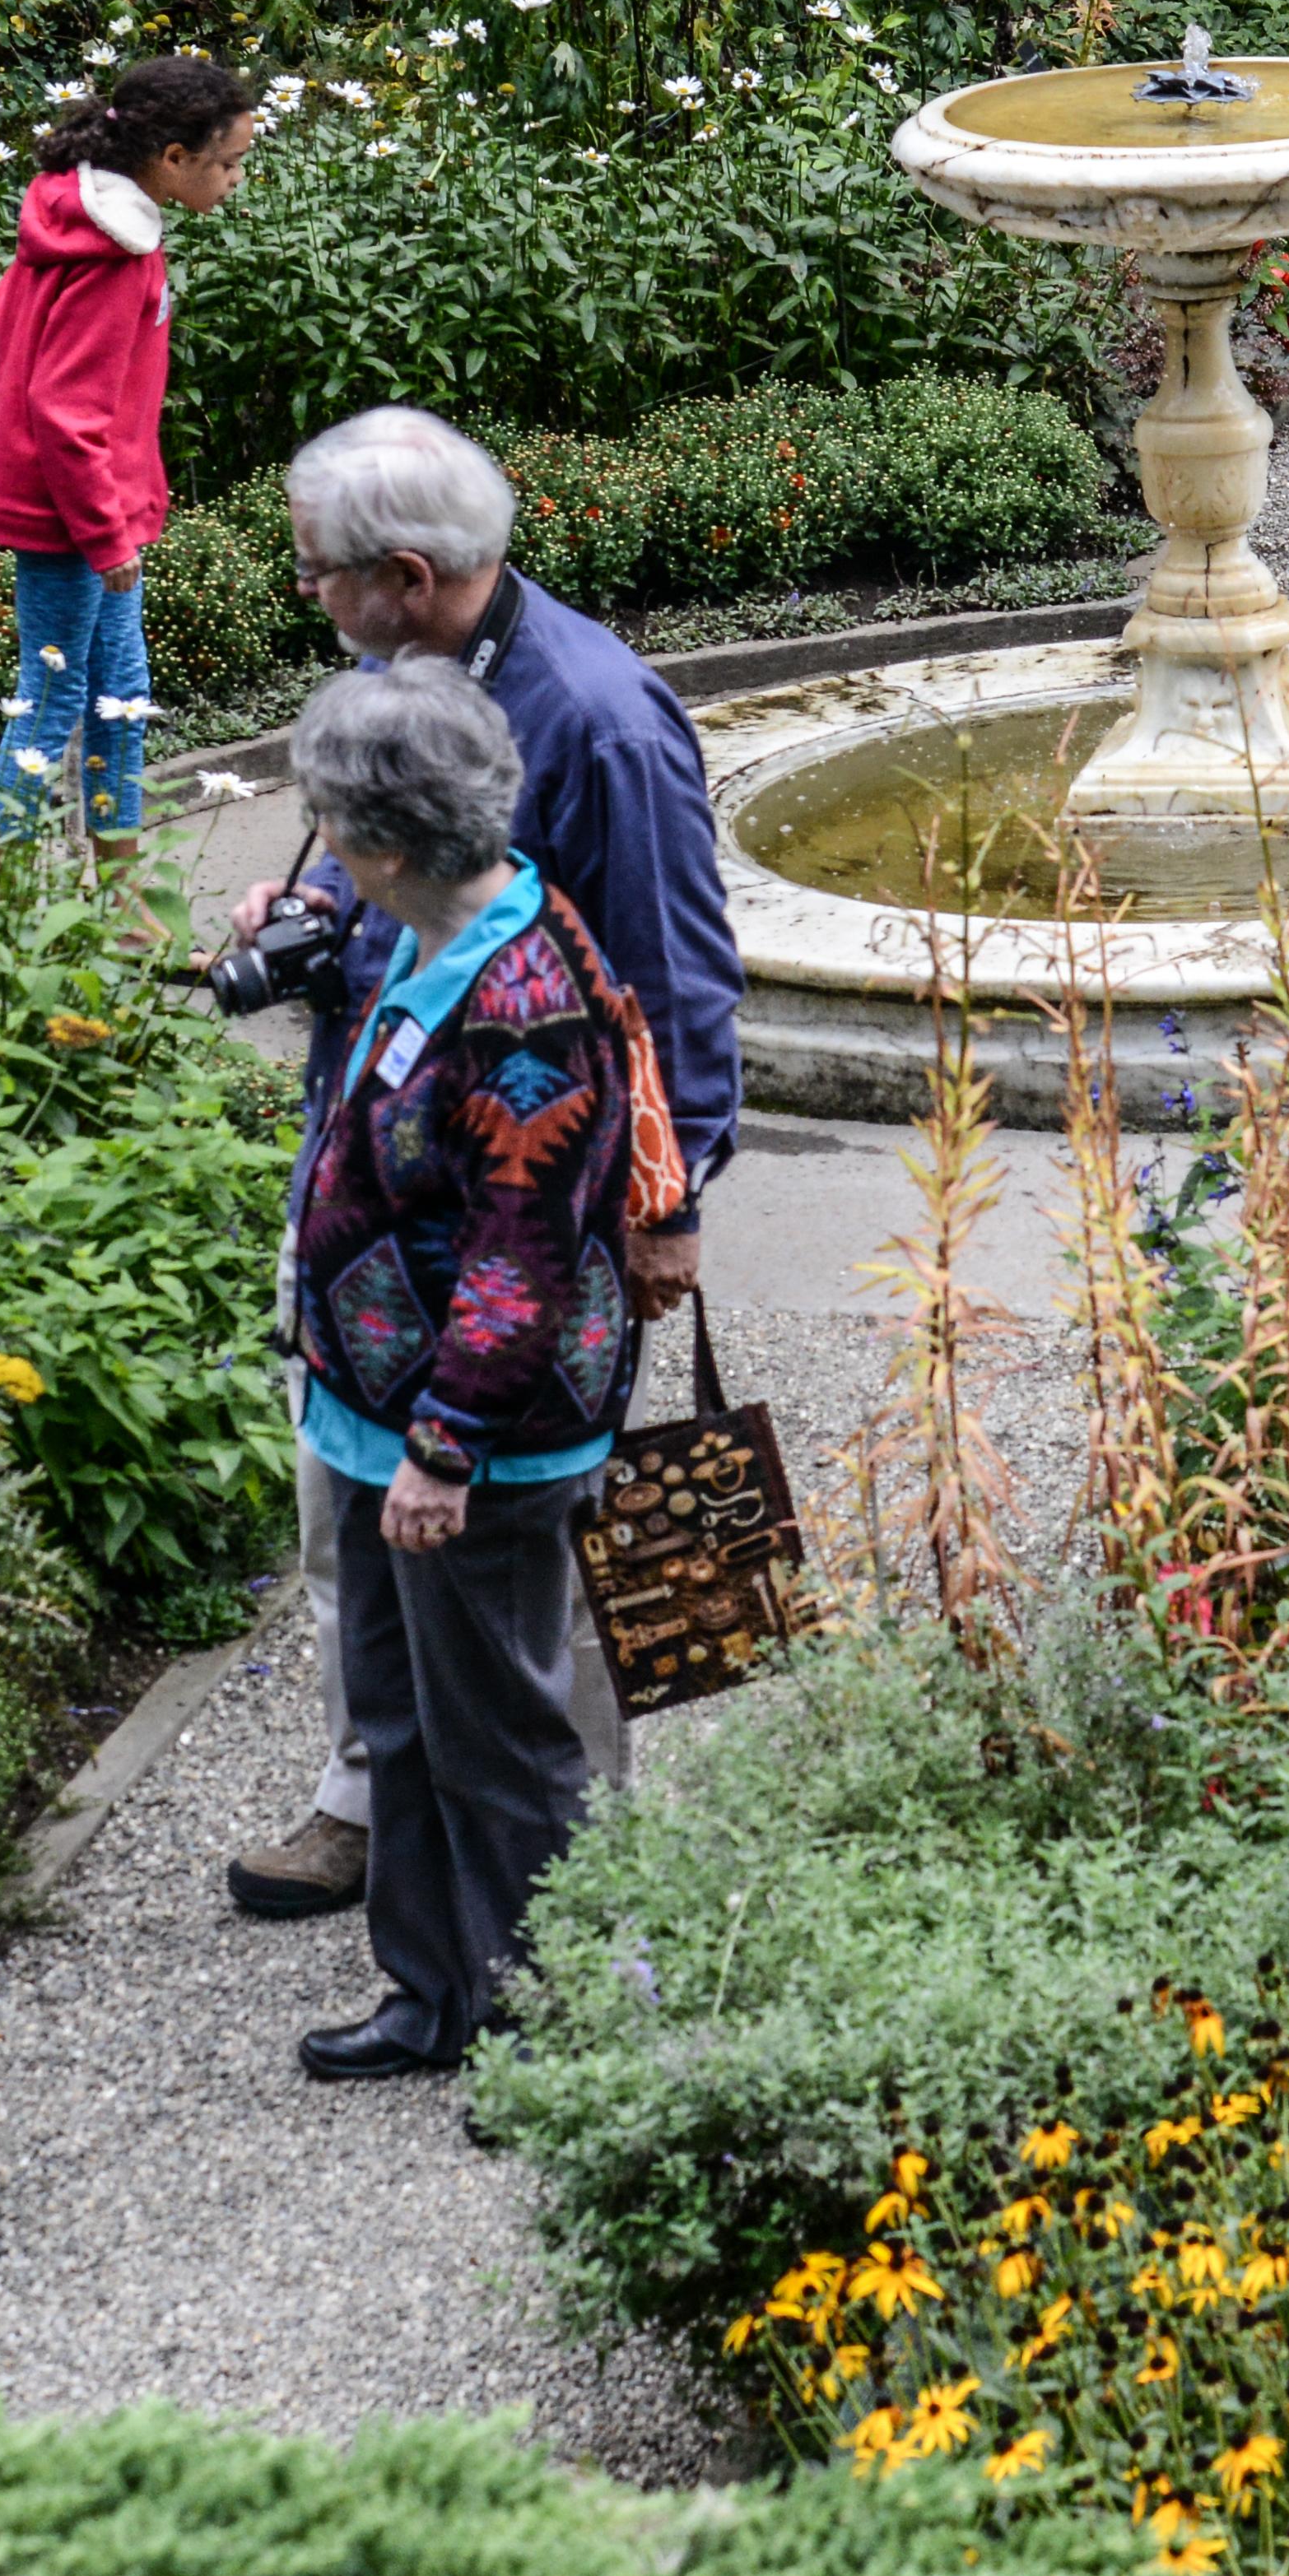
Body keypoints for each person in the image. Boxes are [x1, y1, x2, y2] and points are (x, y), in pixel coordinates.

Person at [221, 402, 737, 1925]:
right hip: (380, 1194)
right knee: (350, 1519)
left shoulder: (600, 714)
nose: (308, 597)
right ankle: (376, 1802)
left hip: (521, 1212)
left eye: (317, 573)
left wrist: (672, 1199)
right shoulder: (403, 667)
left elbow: (678, 974)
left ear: (401, 569)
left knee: (537, 1557)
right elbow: (398, 881)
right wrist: (304, 906)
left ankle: (569, 1871)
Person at [272, 658, 646, 2080]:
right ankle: (434, 1997)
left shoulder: (525, 993)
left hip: (473, 1438)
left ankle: (564, 2026)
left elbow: (522, 1245)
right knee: (406, 1718)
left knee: (506, 1744)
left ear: (386, 841)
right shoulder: (439, 935)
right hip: (380, 1418)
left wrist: (442, 1442)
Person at [0, 54, 263, 886]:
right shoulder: (114, 254)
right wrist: (104, 536)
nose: (237, 178)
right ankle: (6, 902)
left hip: (96, 509)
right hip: (72, 520)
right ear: (173, 158)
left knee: (120, 692)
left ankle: (127, 900)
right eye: (230, 161)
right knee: (55, 699)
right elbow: (67, 415)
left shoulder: (75, 222)